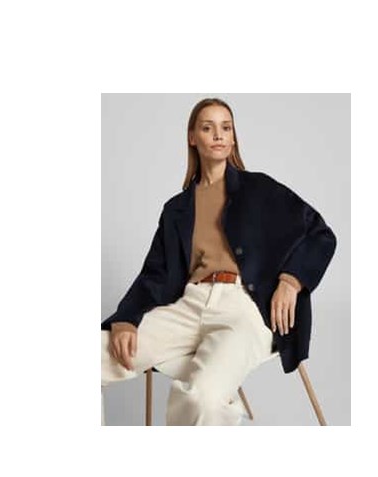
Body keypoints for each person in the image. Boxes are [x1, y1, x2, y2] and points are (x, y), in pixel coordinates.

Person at [101, 97, 337, 426]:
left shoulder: (260, 189)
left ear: (233, 138)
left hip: (243, 309)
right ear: (192, 137)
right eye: (208, 127)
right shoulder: (177, 209)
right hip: (188, 306)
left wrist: (290, 281)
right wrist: (126, 319)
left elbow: (321, 234)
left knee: (203, 399)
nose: (218, 135)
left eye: (226, 128)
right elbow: (155, 273)